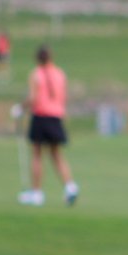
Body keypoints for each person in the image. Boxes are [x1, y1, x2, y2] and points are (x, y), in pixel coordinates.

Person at [18, 45, 79, 207]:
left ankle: (36, 193)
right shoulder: (60, 74)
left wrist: (20, 108)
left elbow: (33, 98)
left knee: (37, 154)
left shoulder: (36, 74)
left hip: (40, 116)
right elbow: (62, 97)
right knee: (56, 154)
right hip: (56, 117)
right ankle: (70, 186)